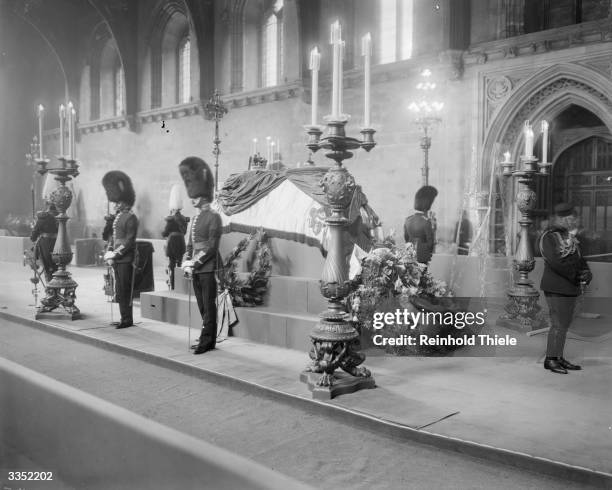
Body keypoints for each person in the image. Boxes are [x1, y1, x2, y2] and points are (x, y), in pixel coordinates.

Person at [539, 202, 592, 374]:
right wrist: (576, 275)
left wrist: (586, 272)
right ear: (560, 218)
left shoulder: (569, 235)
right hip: (557, 287)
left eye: (572, 218)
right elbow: (556, 263)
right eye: (569, 218)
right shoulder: (549, 237)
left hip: (569, 286)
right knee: (558, 324)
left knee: (564, 325)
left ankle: (558, 357)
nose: (572, 221)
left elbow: (579, 258)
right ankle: (550, 360)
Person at [179, 156, 223, 355]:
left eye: (195, 196)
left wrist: (194, 263)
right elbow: (190, 243)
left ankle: (207, 341)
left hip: (207, 267)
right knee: (201, 305)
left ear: (203, 196)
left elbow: (211, 247)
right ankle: (207, 337)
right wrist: (186, 262)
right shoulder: (196, 218)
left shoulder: (214, 217)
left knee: (208, 306)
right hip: (196, 267)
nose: (192, 199)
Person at [102, 171, 139, 329]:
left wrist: (116, 254)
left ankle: (127, 319)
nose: (115, 205)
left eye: (118, 202)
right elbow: (113, 237)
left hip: (125, 258)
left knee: (124, 289)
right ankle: (123, 317)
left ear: (125, 202)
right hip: (117, 258)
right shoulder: (118, 217)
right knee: (118, 289)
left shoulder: (131, 218)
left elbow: (129, 241)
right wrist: (109, 251)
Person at [162, 184, 189, 290]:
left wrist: (164, 233)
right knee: (180, 265)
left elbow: (164, 233)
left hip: (172, 244)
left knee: (172, 265)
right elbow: (185, 232)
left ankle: (173, 285)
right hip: (181, 243)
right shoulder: (184, 218)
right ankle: (180, 285)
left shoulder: (170, 219)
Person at [404, 185, 438, 264]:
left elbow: (406, 239)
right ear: (428, 204)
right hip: (423, 257)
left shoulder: (408, 220)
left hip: (410, 255)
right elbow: (430, 244)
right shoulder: (426, 221)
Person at [30, 202, 59, 283]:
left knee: (48, 267)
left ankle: (50, 287)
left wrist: (33, 232)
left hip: (45, 244)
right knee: (57, 268)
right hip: (59, 244)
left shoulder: (43, 217)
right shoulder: (60, 217)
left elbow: (33, 236)